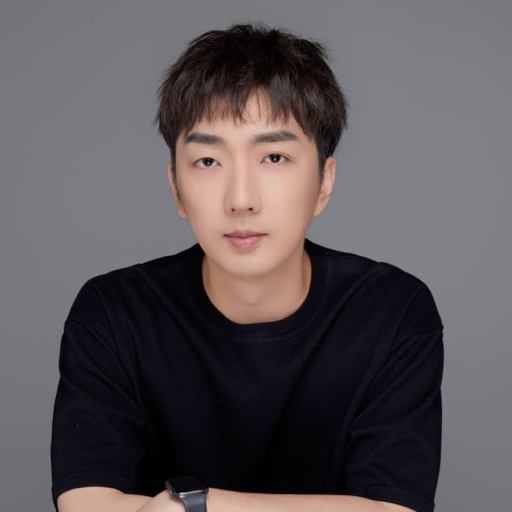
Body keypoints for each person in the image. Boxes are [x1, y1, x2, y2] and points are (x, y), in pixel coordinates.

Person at [51, 22, 444, 512]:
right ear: (175, 188)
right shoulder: (114, 312)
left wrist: (198, 505)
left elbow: (393, 509)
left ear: (324, 181)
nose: (240, 199)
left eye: (273, 156)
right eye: (208, 161)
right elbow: (85, 501)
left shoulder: (391, 311)